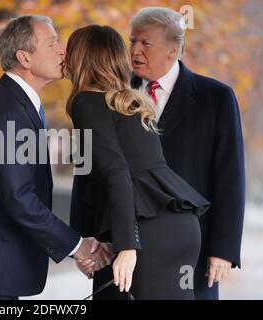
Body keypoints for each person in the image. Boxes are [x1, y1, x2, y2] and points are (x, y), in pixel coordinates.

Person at [0, 15, 112, 300]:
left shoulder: (16, 103)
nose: (62, 50)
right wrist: (77, 247)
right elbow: (19, 198)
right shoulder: (7, 111)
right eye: (51, 43)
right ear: (24, 58)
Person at [66, 24, 210, 300]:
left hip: (146, 235)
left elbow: (117, 173)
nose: (65, 57)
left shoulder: (86, 102)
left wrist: (127, 247)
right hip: (182, 229)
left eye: (70, 50)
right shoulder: (130, 104)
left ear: (82, 57)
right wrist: (89, 245)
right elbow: (93, 180)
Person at [129, 7, 245, 299]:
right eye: (132, 41)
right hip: (125, 250)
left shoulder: (216, 98)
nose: (135, 50)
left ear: (172, 50)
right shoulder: (114, 92)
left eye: (145, 43)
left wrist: (223, 250)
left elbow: (230, 179)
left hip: (191, 252)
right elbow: (92, 169)